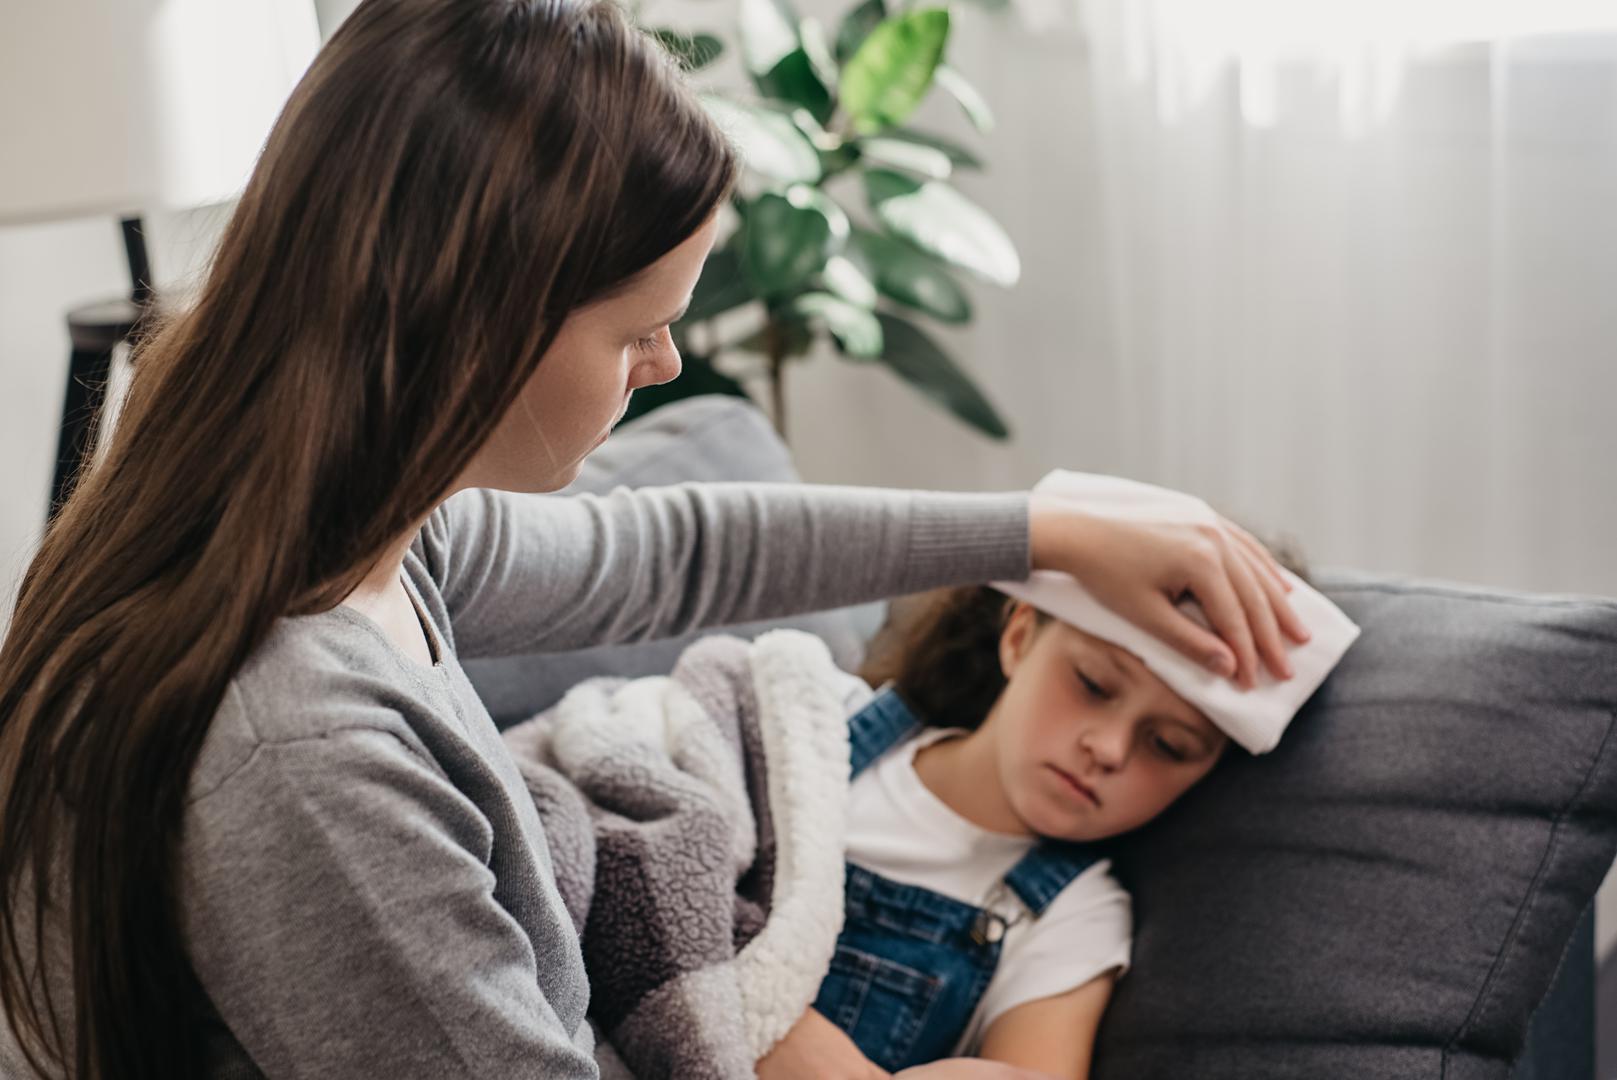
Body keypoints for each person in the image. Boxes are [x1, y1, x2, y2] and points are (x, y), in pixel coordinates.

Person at [0, 2, 1307, 1077]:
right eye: (637, 332)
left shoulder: (354, 544)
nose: (668, 362)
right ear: (483, 315)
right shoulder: (309, 752)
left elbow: (672, 554)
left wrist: (1051, 528)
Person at [763, 537, 1326, 1080]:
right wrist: (770, 1027)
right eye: (1093, 684)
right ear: (1020, 636)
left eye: (1168, 746)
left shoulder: (1073, 918)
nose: (1107, 749)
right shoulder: (813, 722)